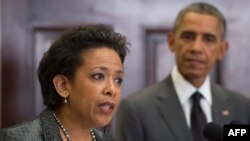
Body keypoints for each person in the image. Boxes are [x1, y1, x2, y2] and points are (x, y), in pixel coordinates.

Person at [115, 2, 250, 141]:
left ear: (222, 49)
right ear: (171, 41)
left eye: (208, 39)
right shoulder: (136, 109)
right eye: (188, 36)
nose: (196, 48)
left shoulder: (242, 108)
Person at [0, 24, 129, 141]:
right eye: (98, 76)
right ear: (63, 86)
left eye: (118, 80)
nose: (112, 89)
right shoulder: (19, 138)